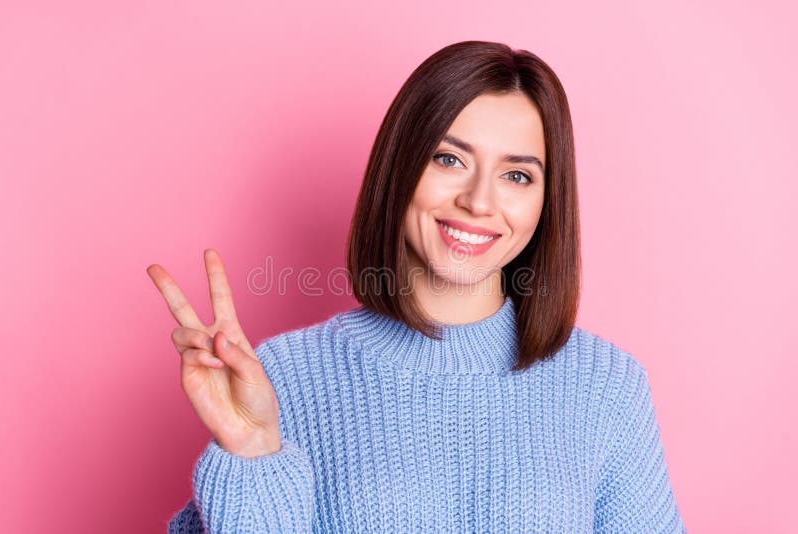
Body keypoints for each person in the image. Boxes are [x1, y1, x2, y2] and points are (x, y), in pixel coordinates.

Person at [148, 40, 686, 533]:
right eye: (448, 159)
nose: (479, 201)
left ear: (547, 203)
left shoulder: (607, 387)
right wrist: (252, 454)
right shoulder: (280, 378)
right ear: (399, 167)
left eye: (517, 175)